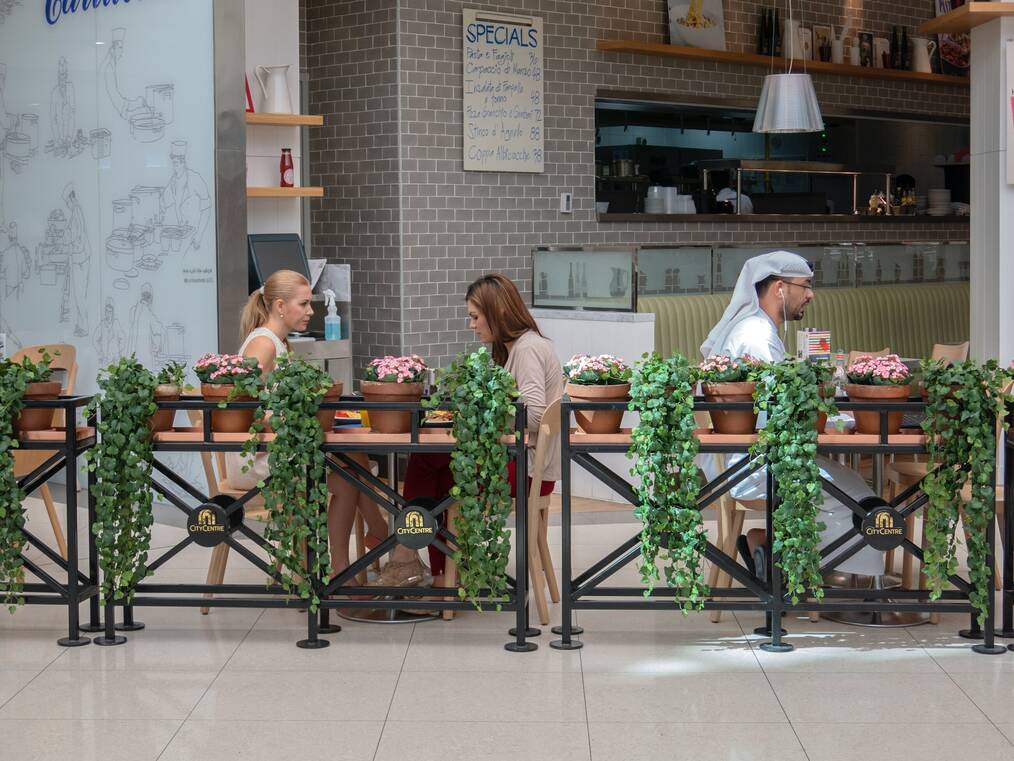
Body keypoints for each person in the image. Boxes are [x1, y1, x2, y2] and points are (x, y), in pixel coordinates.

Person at [700, 250, 884, 577]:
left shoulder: (758, 329)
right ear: (780, 289)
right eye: (806, 286)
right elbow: (780, 412)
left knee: (851, 482)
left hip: (759, 456)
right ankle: (853, 587)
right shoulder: (756, 337)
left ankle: (770, 547)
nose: (811, 295)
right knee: (854, 495)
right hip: (754, 466)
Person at [376, 273, 563, 588]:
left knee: (427, 462)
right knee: (439, 467)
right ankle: (439, 572)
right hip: (529, 465)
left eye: (475, 317)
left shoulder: (527, 348)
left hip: (528, 470)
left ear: (498, 313)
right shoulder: (518, 347)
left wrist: (482, 415)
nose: (471, 324)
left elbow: (532, 414)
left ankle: (415, 560)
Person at [230, 269, 389, 575]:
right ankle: (355, 559)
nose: (310, 311)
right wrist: (294, 421)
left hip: (278, 449)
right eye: (304, 304)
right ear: (279, 306)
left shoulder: (277, 342)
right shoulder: (263, 345)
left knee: (353, 455)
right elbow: (242, 406)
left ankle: (372, 541)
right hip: (258, 458)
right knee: (347, 480)